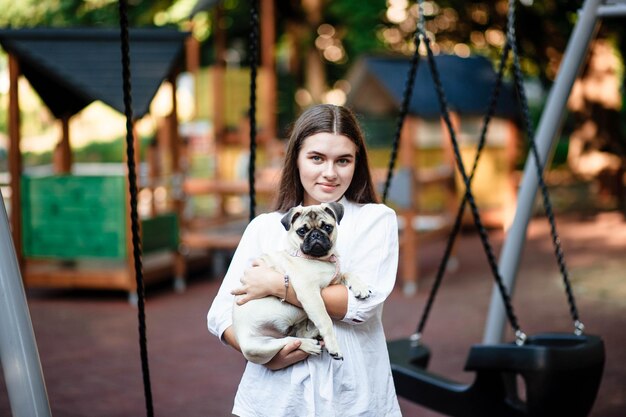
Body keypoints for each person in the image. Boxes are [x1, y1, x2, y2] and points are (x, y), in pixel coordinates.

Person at [207, 104, 402, 416]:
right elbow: (220, 314)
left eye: (343, 160)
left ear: (357, 163)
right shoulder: (265, 227)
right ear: (296, 158)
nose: (330, 172)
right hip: (274, 399)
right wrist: (260, 352)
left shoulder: (375, 219)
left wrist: (277, 284)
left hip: (351, 398)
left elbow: (359, 305)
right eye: (316, 158)